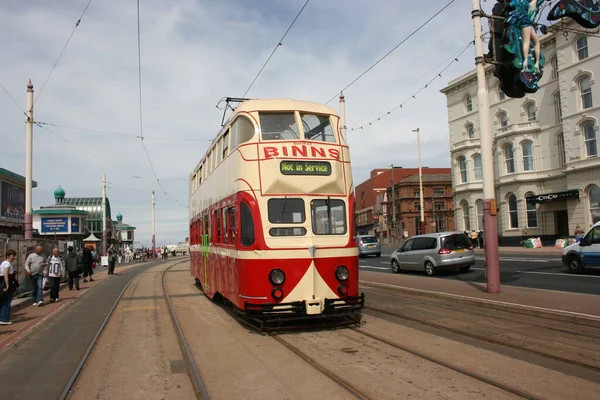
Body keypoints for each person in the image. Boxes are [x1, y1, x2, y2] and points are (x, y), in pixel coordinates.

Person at [1, 249, 18, 325]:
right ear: (8, 256)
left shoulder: (3, 263)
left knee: (3, 301)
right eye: (12, 256)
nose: (13, 257)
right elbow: (5, 274)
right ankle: (4, 319)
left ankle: (2, 318)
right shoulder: (7, 264)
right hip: (6, 283)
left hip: (2, 282)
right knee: (7, 301)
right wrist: (7, 284)